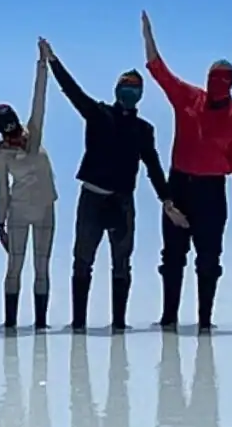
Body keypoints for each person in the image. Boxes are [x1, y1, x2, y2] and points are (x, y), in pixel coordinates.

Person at [43, 39, 183, 335]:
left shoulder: (144, 130)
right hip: (92, 200)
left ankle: (119, 324)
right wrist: (53, 61)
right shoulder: (98, 114)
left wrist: (167, 200)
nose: (129, 92)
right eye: (125, 86)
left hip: (122, 203)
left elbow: (154, 167)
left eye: (135, 88)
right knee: (82, 261)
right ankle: (78, 323)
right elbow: (72, 92)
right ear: (117, 90)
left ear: (140, 95)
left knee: (122, 264)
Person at [141, 12, 232, 333]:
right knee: (172, 258)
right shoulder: (190, 98)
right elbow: (161, 73)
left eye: (222, 79)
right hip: (179, 185)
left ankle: (205, 322)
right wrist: (148, 38)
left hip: (211, 192)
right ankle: (169, 319)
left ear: (231, 84)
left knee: (208, 260)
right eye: (213, 78)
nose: (216, 84)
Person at [0, 51, 57, 332]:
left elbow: (39, 101)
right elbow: (2, 193)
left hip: (45, 210)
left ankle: (41, 324)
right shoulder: (2, 155)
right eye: (8, 134)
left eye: (15, 131)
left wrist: (43, 65)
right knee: (14, 267)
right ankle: (11, 323)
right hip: (17, 212)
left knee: (42, 267)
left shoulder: (34, 135)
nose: (14, 138)